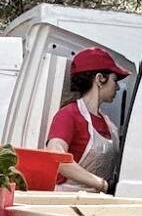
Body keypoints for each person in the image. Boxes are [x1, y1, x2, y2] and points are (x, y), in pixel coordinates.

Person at [45, 47, 131, 191]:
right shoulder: (69, 115)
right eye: (114, 80)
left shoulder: (109, 124)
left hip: (95, 200)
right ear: (99, 79)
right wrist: (100, 184)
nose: (116, 87)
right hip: (66, 200)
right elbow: (57, 157)